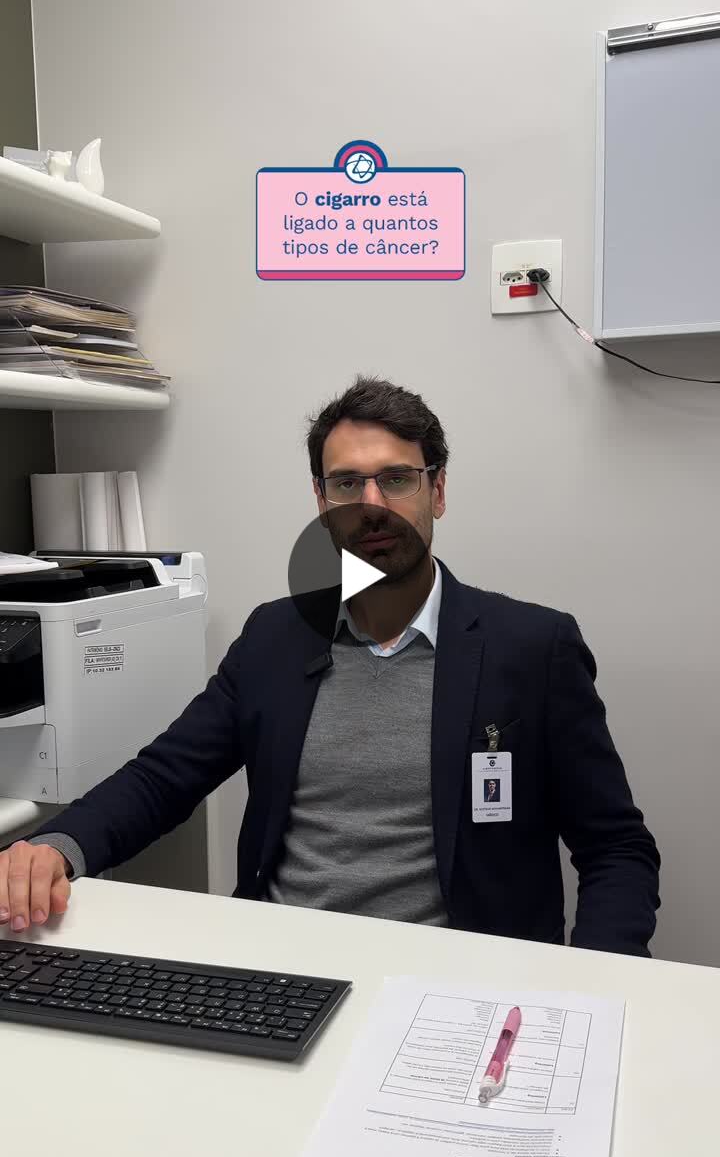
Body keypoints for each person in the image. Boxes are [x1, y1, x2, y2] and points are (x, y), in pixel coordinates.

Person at [0, 376, 660, 955]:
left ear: (437, 491)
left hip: (458, 985)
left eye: (396, 478)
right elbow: (163, 779)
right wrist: (56, 847)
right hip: (287, 972)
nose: (372, 505)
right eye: (347, 483)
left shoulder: (534, 648)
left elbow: (615, 849)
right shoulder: (273, 638)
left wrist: (598, 979)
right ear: (322, 502)